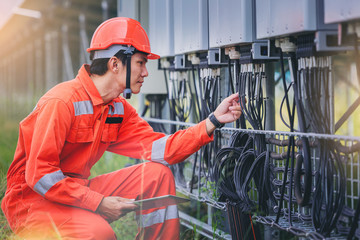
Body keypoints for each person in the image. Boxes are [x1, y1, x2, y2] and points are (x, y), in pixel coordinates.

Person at [1, 17, 242, 240]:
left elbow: (163, 150)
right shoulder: (61, 102)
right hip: (33, 200)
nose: (146, 72)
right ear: (115, 64)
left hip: (75, 189)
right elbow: (41, 176)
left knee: (157, 175)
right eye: (140, 63)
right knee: (100, 234)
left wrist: (212, 121)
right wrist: (97, 202)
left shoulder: (117, 109)